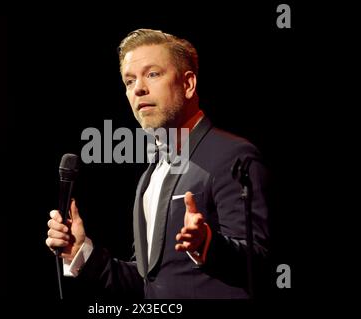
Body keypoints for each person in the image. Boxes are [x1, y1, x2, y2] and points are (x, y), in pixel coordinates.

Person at [46, 29, 270, 299]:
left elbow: (258, 262)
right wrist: (81, 251)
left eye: (152, 74)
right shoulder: (151, 176)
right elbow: (152, 282)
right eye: (129, 81)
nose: (138, 88)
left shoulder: (231, 155)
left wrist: (206, 243)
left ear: (188, 84)